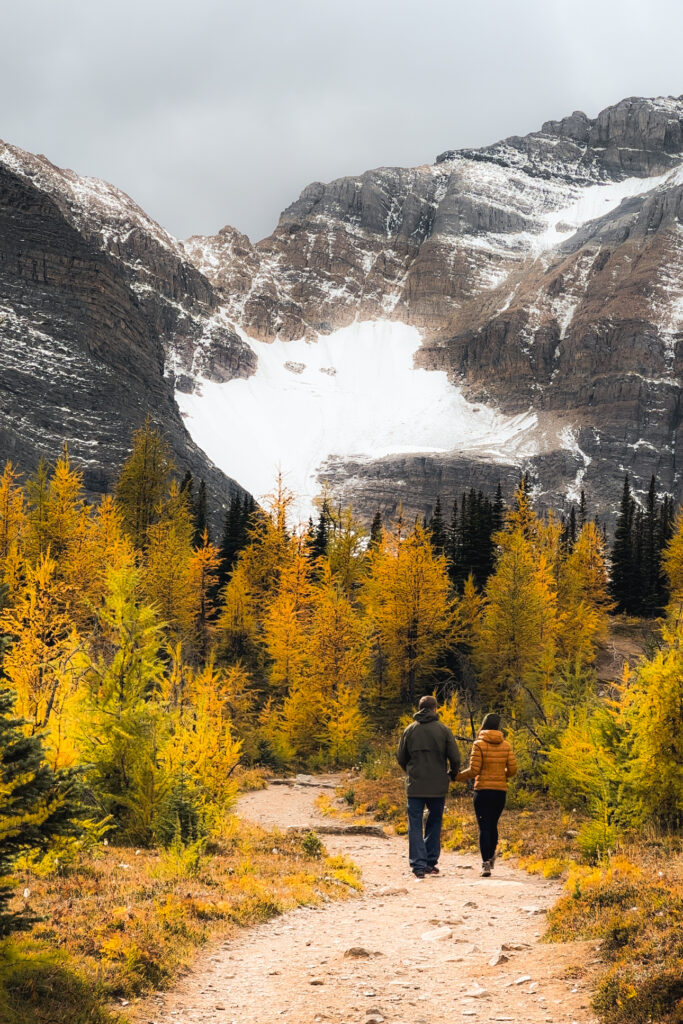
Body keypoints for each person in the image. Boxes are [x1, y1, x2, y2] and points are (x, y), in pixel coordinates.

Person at [397, 695, 461, 879]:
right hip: (438, 785)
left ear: (419, 708)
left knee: (415, 824)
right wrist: (452, 774)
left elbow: (401, 757)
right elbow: (455, 757)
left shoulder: (410, 730)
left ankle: (418, 865)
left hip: (415, 785)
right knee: (434, 822)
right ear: (435, 709)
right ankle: (430, 862)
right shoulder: (443, 730)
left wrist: (410, 771)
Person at [456, 712, 517, 877]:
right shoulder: (506, 745)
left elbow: (474, 770)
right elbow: (512, 770)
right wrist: (500, 773)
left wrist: (457, 777)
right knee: (493, 824)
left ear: (483, 725)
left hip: (482, 790)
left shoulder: (479, 744)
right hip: (499, 792)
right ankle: (490, 857)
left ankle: (485, 864)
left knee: (484, 827)